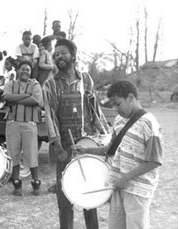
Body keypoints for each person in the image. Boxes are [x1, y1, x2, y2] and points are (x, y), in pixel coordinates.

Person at [75, 80, 163, 229]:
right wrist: (86, 150)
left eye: (118, 104)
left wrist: (126, 177)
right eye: (113, 105)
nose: (116, 109)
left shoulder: (149, 123)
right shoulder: (119, 120)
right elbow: (111, 149)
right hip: (119, 186)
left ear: (130, 98)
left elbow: (154, 161)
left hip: (138, 190)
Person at [43, 38, 109, 229]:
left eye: (63, 53)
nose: (59, 57)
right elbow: (50, 116)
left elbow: (95, 109)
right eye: (56, 55)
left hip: (87, 145)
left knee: (90, 194)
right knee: (65, 197)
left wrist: (104, 135)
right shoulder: (51, 84)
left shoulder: (86, 79)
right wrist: (58, 147)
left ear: (73, 55)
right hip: (65, 146)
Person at [3, 60, 44, 196]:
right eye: (22, 69)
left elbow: (36, 100)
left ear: (30, 71)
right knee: (13, 153)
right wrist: (26, 96)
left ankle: (36, 183)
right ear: (18, 70)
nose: (25, 72)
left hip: (29, 123)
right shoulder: (10, 83)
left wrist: (15, 100)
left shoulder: (35, 84)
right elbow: (6, 97)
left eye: (28, 69)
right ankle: (17, 184)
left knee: (31, 153)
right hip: (12, 122)